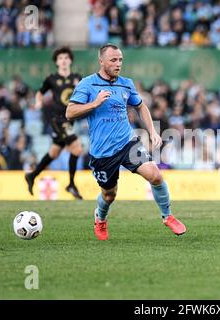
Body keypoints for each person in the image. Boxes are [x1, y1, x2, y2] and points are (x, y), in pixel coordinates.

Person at [66, 43, 186, 240]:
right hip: (103, 152)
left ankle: (168, 216)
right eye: (113, 60)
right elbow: (70, 112)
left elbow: (140, 107)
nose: (118, 64)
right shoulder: (88, 84)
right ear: (101, 61)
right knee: (109, 195)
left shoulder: (126, 83)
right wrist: (94, 103)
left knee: (155, 175)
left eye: (120, 60)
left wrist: (152, 131)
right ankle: (100, 217)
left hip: (128, 143)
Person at [25, 47, 84, 199]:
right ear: (56, 62)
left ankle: (32, 175)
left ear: (70, 60)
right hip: (58, 120)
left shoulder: (78, 78)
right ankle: (71, 184)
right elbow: (40, 92)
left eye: (66, 58)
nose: (63, 61)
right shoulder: (51, 79)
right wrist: (38, 102)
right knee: (77, 149)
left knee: (54, 152)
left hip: (70, 121)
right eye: (60, 58)